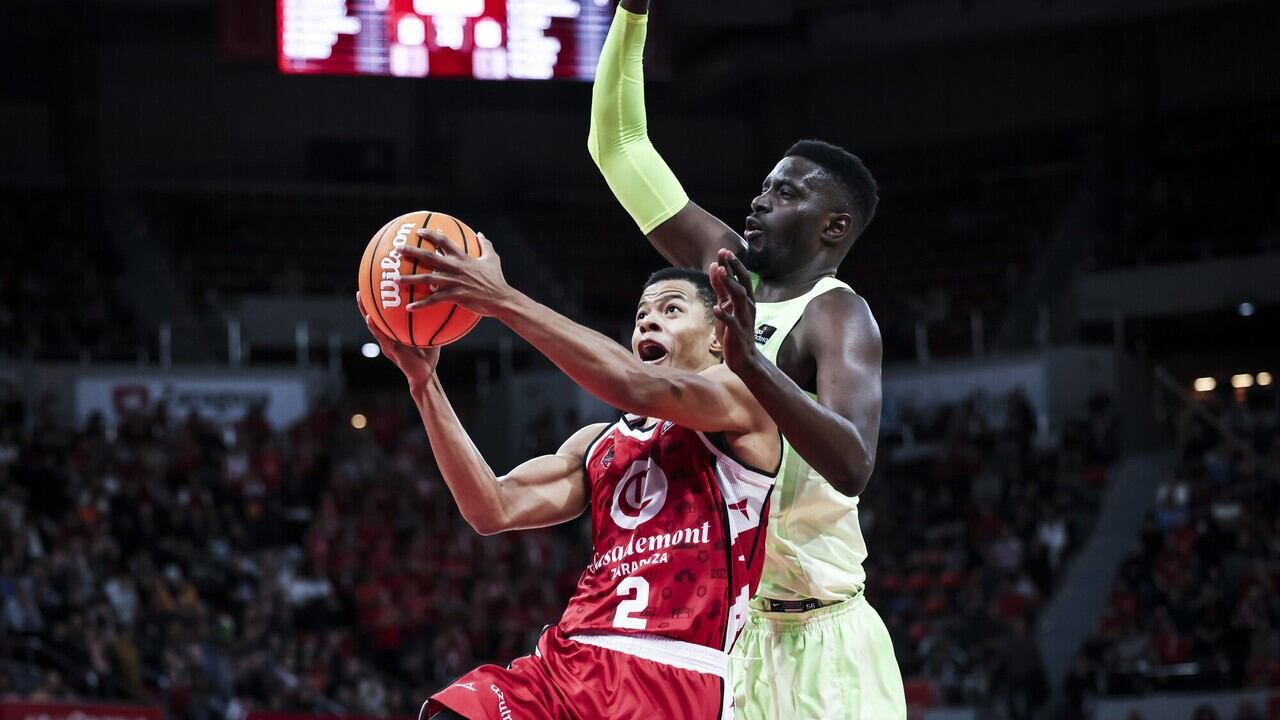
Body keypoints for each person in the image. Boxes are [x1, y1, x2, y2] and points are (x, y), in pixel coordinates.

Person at [587, 2, 907, 717]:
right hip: (738, 632)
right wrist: (633, 13)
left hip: (826, 638)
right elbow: (619, 146)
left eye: (785, 193)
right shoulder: (727, 269)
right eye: (763, 187)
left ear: (834, 225)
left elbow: (854, 464)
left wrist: (750, 364)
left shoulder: (837, 312)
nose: (759, 201)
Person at [359, 232, 781, 720]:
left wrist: (503, 299)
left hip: (674, 675)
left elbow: (632, 384)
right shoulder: (598, 442)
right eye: (641, 315)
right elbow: (491, 507)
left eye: (671, 310)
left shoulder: (744, 397)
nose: (648, 321)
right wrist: (424, 384)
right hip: (565, 664)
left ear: (715, 335)